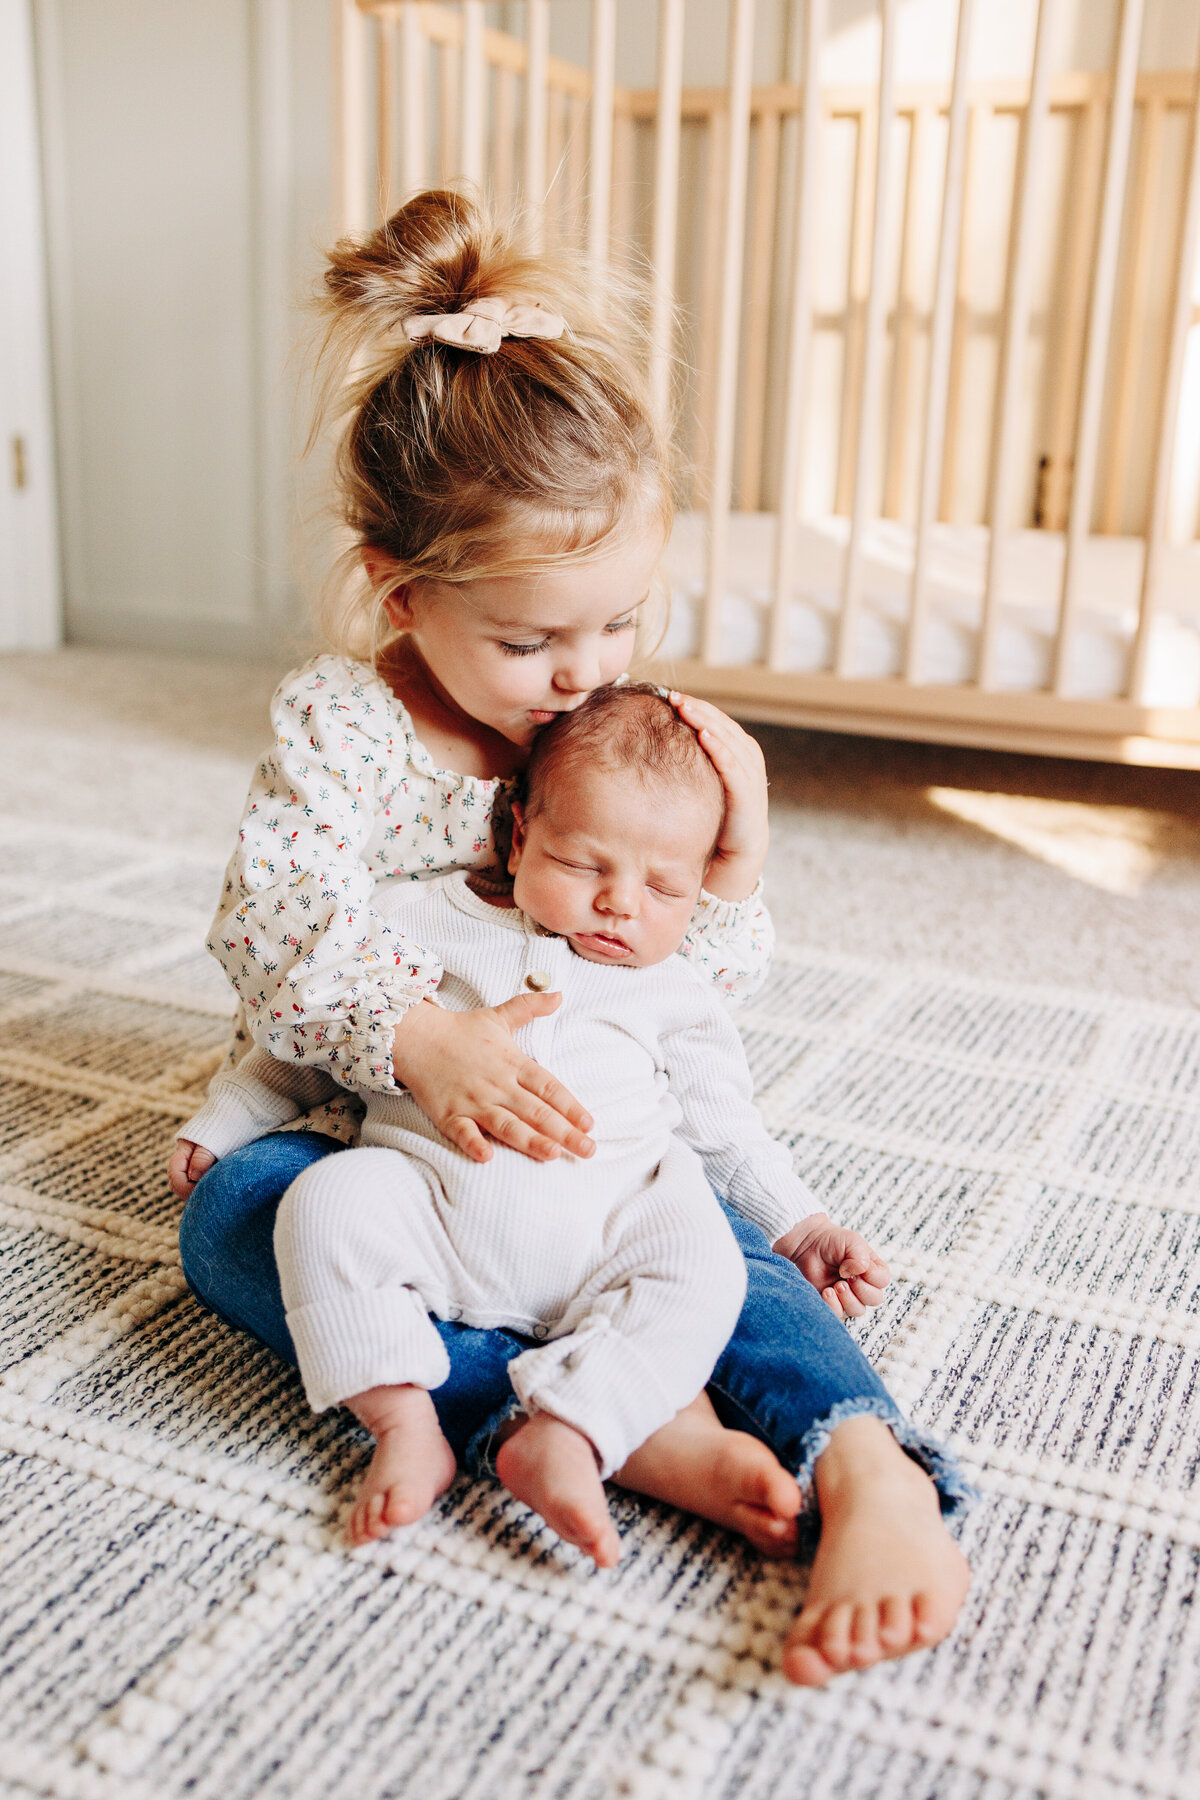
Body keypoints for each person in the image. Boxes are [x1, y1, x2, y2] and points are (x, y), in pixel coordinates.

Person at [173, 188, 971, 1686]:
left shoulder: (612, 725)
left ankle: (869, 1465)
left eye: (619, 625)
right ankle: (606, 1421)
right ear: (403, 594)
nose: (581, 677)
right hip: (375, 1127)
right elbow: (268, 922)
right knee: (240, 1226)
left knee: (712, 1245)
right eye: (533, 642)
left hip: (586, 1145)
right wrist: (418, 1040)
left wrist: (730, 865)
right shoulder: (345, 727)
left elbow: (684, 992)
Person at [177, 687, 897, 1571]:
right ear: (518, 837)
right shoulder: (420, 922)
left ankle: (577, 1426)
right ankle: (403, 1419)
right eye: (583, 863)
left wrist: (805, 1224)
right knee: (325, 1203)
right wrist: (223, 1121)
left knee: (705, 1264)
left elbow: (725, 1130)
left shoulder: (676, 986)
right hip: (430, 1206)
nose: (619, 905)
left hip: (613, 1229)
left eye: (664, 885)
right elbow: (314, 1047)